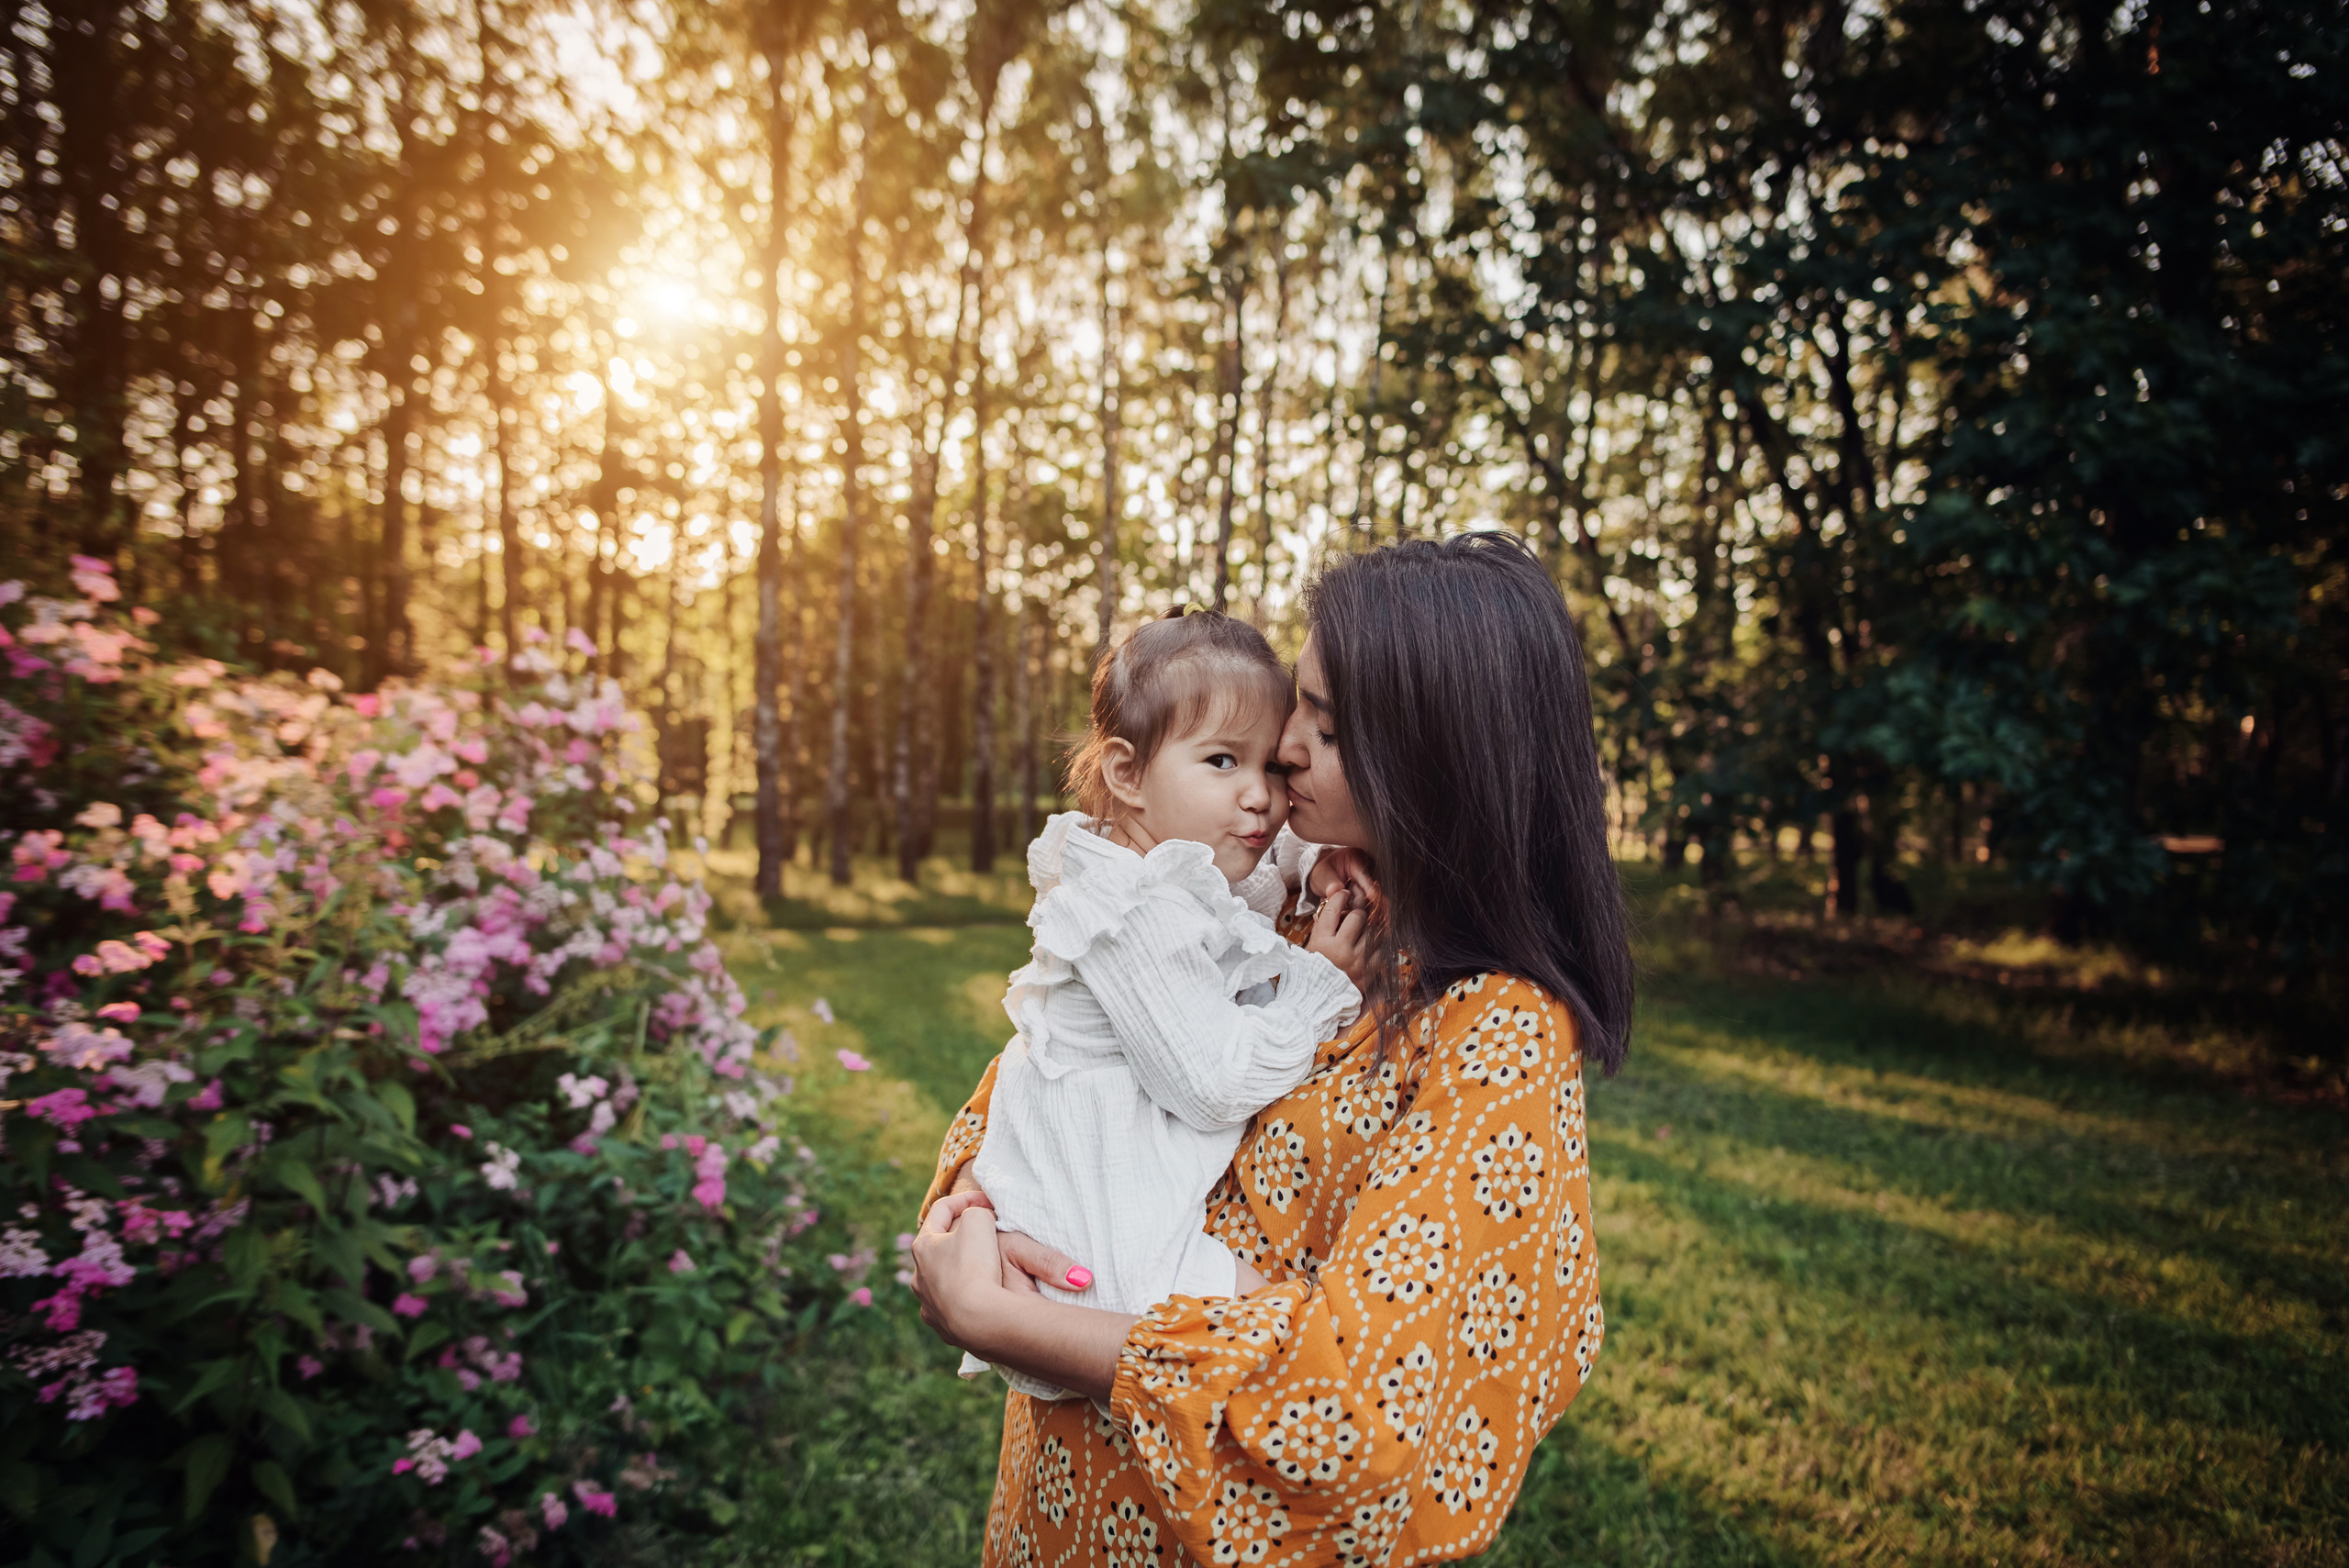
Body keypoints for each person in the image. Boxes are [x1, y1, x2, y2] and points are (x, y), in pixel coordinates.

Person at [912, 533, 1635, 1566]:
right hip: (1058, 1509)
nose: (1286, 747)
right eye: (1300, 701)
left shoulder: (1496, 1034)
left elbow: (1347, 1399)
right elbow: (1040, 1081)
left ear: (1436, 767)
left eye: (1328, 729)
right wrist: (965, 1221)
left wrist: (1002, 1317)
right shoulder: (1286, 905)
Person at [957, 607, 1372, 1403]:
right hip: (1105, 1241)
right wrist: (1319, 985)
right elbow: (1213, 1081)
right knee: (1320, 1364)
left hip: (1104, 1206)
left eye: (1271, 769)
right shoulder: (1127, 914)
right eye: (1222, 760)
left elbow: (1247, 886)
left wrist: (1312, 861)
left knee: (1304, 1350)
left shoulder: (1157, 865)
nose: (1259, 797)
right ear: (1125, 774)